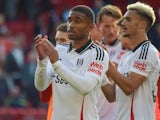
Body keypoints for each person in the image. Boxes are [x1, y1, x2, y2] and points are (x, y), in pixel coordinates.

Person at [34, 5, 109, 120]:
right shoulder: (59, 50)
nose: (71, 25)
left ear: (91, 27)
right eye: (69, 21)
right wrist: (42, 61)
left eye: (77, 21)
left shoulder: (98, 54)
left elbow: (86, 87)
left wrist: (56, 63)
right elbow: (41, 86)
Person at [104, 2, 160, 120]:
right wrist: (100, 68)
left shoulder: (147, 52)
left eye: (128, 20)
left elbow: (129, 88)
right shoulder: (127, 56)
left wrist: (108, 65)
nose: (122, 23)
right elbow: (111, 96)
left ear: (141, 24)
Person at [90, 5, 122, 120]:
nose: (111, 31)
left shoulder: (126, 47)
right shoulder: (91, 48)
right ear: (98, 26)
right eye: (107, 26)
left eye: (115, 26)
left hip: (117, 115)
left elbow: (115, 75)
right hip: (95, 113)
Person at [39, 23, 71, 120]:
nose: (59, 45)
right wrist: (43, 62)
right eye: (57, 40)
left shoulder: (81, 64)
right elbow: (44, 97)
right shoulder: (51, 64)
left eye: (63, 40)